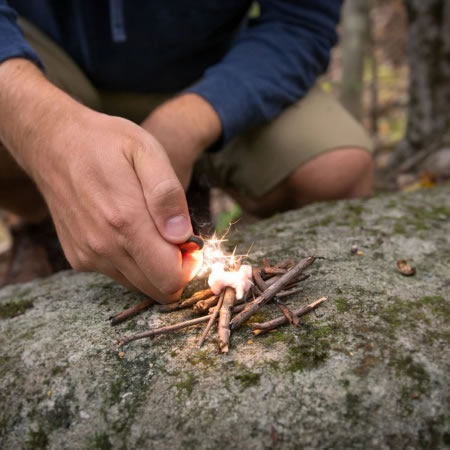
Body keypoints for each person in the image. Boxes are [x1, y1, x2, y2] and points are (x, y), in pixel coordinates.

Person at [0, 1, 373, 303]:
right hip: (39, 65)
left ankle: (189, 181)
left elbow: (301, 22)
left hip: (212, 67)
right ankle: (38, 217)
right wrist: (46, 134)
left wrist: (188, 124)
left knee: (334, 167)